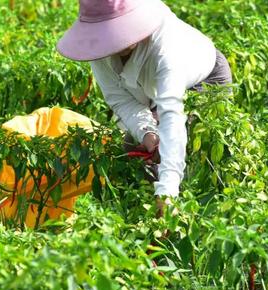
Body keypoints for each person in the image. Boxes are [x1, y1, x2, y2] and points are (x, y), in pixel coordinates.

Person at [56, 0, 232, 215]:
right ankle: (142, 216)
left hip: (206, 81)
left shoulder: (167, 48)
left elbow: (171, 115)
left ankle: (188, 217)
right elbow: (121, 100)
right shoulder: (99, 47)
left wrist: (167, 191)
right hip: (150, 90)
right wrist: (147, 133)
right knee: (136, 149)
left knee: (195, 151)